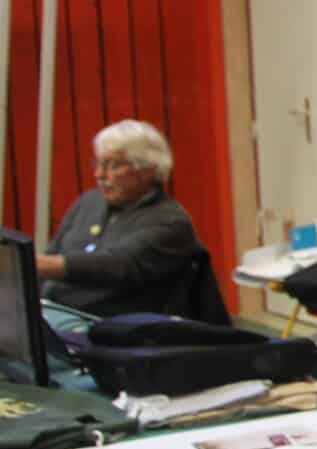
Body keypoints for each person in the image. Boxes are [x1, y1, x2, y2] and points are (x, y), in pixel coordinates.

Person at [36, 119, 211, 317]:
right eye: (98, 163)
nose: (99, 174)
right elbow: (51, 254)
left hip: (116, 330)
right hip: (54, 313)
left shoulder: (170, 222)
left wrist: (41, 264)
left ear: (148, 170)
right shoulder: (89, 202)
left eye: (114, 165)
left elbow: (118, 265)